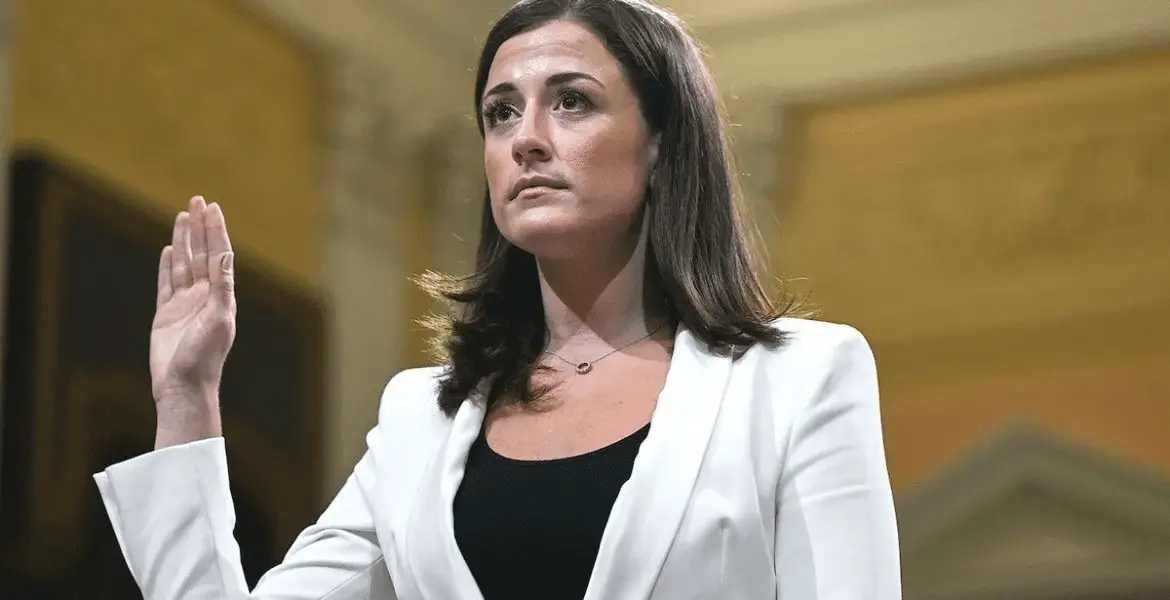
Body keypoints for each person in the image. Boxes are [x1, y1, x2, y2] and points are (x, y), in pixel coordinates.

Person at [93, 0, 901, 598]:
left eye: (572, 100)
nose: (526, 139)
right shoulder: (420, 418)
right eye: (500, 112)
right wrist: (187, 396)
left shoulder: (799, 379)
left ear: (661, 142)